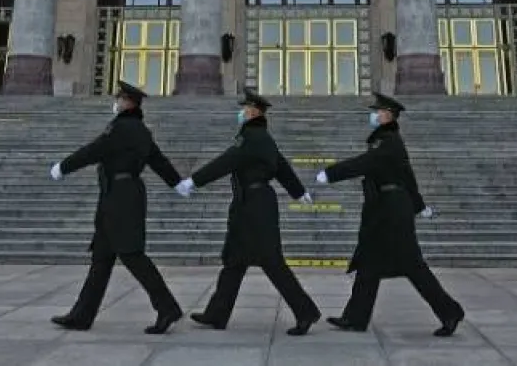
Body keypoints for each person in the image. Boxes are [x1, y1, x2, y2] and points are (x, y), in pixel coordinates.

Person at [316, 92, 464, 337]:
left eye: (378, 111)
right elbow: (408, 175)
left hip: (392, 211)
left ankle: (450, 311)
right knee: (368, 264)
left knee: (413, 266)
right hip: (387, 207)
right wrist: (419, 205)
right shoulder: (388, 140)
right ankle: (355, 317)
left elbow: (366, 163)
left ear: (388, 115)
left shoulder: (388, 141)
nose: (374, 115)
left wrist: (331, 173)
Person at [177, 88, 322, 336]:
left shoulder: (252, 137)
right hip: (250, 204)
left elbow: (227, 161)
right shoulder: (261, 137)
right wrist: (298, 192)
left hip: (255, 207)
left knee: (272, 262)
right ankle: (217, 314)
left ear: (254, 112)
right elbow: (281, 166)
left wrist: (194, 181)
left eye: (245, 109)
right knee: (234, 261)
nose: (241, 112)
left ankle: (305, 311)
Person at [47, 81, 184, 334]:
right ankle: (81, 315)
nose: (116, 102)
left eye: (119, 98)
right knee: (101, 259)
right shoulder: (141, 130)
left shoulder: (121, 128)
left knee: (132, 255)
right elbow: (158, 160)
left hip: (121, 198)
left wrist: (63, 167)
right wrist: (177, 183)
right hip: (121, 195)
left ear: (128, 103)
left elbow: (94, 151)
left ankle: (167, 307)